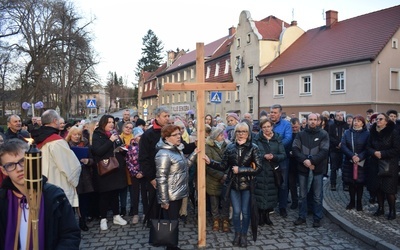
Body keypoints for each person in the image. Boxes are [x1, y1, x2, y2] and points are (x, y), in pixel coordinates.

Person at [0, 139, 81, 249]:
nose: (19, 169)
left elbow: (70, 235)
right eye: (10, 165)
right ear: (4, 170)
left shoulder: (54, 195)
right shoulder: (2, 199)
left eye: (23, 161)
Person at [203, 122, 262, 247]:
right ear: (235, 133)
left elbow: (258, 168)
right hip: (234, 185)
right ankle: (237, 233)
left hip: (247, 185)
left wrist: (240, 170)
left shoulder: (253, 147)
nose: (241, 134)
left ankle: (244, 235)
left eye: (244, 131)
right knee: (236, 212)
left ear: (248, 133)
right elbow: (223, 165)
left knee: (245, 212)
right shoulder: (230, 148)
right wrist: (210, 162)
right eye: (239, 132)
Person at [155, 124, 198, 250]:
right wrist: (164, 200)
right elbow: (161, 178)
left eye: (179, 134)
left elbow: (185, 167)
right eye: (175, 135)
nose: (179, 137)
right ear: (167, 137)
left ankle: (173, 246)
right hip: (170, 195)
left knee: (174, 223)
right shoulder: (163, 154)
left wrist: (194, 153)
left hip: (178, 193)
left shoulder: (177, 150)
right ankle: (171, 247)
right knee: (170, 223)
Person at [31, 109, 81, 209]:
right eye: (58, 120)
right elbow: (71, 166)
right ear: (54, 121)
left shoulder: (36, 139)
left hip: (44, 187)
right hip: (59, 189)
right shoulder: (57, 142)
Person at [292, 113, 329, 228]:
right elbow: (295, 149)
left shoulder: (323, 134)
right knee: (302, 195)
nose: (312, 121)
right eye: (310, 119)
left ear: (318, 121)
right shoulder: (300, 134)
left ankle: (317, 217)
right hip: (303, 169)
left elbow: (324, 151)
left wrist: (312, 161)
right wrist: (306, 161)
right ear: (307, 121)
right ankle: (302, 216)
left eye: (315, 119)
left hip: (317, 169)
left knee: (317, 196)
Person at [91, 115, 128, 230]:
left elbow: (119, 146)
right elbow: (98, 151)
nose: (111, 124)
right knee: (105, 194)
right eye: (108, 122)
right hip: (105, 168)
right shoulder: (97, 135)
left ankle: (116, 215)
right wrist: (110, 141)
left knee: (115, 193)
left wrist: (122, 149)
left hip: (116, 167)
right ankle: (103, 218)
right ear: (103, 124)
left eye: (112, 122)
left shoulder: (115, 134)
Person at [139, 106, 170, 226]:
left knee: (168, 204)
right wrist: (151, 177)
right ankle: (155, 230)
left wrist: (195, 145)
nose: (167, 118)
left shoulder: (170, 132)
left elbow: (182, 146)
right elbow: (143, 158)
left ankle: (167, 228)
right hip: (154, 176)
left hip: (169, 175)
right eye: (165, 116)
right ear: (157, 117)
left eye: (168, 116)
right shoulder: (149, 134)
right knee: (155, 203)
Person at [366, 113, 400, 220]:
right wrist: (374, 152)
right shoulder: (372, 132)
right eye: (377, 119)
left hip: (390, 165)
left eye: (381, 119)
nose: (378, 121)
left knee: (389, 190)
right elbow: (368, 147)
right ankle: (380, 208)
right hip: (375, 164)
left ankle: (392, 211)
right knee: (378, 188)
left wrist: (382, 154)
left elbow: (396, 149)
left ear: (386, 121)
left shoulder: (393, 132)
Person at [253, 118, 286, 226]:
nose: (267, 129)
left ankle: (267, 216)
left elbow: (283, 154)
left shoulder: (277, 139)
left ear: (272, 127)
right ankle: (260, 216)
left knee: (271, 193)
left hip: (273, 170)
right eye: (264, 127)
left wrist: (274, 156)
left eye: (268, 126)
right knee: (260, 193)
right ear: (261, 128)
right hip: (260, 170)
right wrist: (263, 156)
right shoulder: (256, 140)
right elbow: (253, 154)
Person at [66, 126, 95, 231]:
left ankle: (82, 221)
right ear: (70, 135)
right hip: (72, 175)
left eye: (79, 134)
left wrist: (88, 161)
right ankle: (71, 223)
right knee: (72, 200)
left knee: (83, 200)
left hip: (84, 176)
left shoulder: (86, 144)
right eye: (74, 134)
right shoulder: (66, 145)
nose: (77, 137)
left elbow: (93, 160)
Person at [340, 115, 369, 211]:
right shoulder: (347, 133)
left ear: (363, 123)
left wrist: (359, 157)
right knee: (351, 183)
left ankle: (359, 202)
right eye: (355, 121)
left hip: (361, 162)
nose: (356, 122)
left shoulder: (367, 134)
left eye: (358, 121)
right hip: (349, 161)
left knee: (359, 183)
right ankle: (352, 201)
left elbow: (367, 148)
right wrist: (352, 156)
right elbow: (343, 146)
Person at [205, 127, 229, 232]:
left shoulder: (227, 146)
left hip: (226, 177)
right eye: (220, 135)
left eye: (222, 134)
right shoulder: (208, 148)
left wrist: (226, 175)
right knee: (214, 201)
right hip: (213, 179)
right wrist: (220, 176)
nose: (222, 136)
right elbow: (208, 166)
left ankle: (225, 219)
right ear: (215, 137)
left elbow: (230, 162)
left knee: (225, 200)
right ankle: (215, 219)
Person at [269, 104, 292, 218]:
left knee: (282, 183)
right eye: (271, 112)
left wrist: (275, 148)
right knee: (270, 182)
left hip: (282, 158)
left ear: (280, 113)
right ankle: (270, 205)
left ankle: (282, 207)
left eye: (274, 112)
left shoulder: (286, 125)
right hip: (268, 159)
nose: (272, 114)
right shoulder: (267, 124)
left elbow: (288, 139)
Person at [126, 127, 148, 224]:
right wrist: (135, 172)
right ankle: (135, 213)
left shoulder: (145, 147)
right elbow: (128, 161)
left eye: (141, 136)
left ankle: (145, 213)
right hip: (134, 174)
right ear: (135, 138)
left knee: (144, 194)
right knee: (135, 195)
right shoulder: (130, 148)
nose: (140, 138)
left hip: (144, 174)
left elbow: (147, 161)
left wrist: (143, 172)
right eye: (138, 136)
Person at [328, 111, 348, 191]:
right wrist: (337, 143)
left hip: (344, 150)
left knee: (344, 168)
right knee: (333, 168)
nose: (340, 117)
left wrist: (342, 144)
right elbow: (330, 136)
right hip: (334, 149)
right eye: (338, 115)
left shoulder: (346, 125)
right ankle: (333, 184)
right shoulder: (332, 126)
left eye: (341, 115)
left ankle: (345, 184)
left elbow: (348, 136)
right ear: (335, 117)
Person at [119, 121, 135, 217]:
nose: (128, 129)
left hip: (132, 167)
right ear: (123, 128)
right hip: (122, 167)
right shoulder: (119, 138)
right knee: (123, 189)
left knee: (132, 189)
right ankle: (123, 208)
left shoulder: (134, 139)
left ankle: (133, 208)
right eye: (127, 127)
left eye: (130, 128)